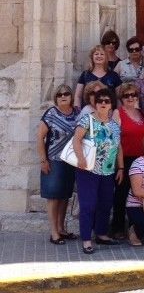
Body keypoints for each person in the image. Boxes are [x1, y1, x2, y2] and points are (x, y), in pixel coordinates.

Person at [72, 87, 123, 254]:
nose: (103, 103)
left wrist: (120, 167)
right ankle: (86, 239)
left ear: (111, 104)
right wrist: (80, 158)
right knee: (88, 204)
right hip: (88, 169)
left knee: (105, 204)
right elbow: (77, 140)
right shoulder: (87, 120)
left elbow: (118, 147)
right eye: (100, 100)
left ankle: (101, 234)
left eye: (106, 101)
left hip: (108, 171)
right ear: (95, 103)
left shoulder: (115, 125)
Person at [37, 84, 79, 244]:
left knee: (65, 196)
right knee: (53, 197)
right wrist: (43, 160)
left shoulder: (77, 113)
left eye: (66, 93)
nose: (63, 96)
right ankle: (54, 232)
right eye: (60, 94)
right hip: (54, 161)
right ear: (56, 97)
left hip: (71, 161)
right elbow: (40, 137)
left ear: (71, 96)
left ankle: (61, 229)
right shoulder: (51, 114)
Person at [110, 83, 144, 239]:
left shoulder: (141, 113)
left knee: (139, 196)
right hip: (125, 160)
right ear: (121, 98)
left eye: (133, 95)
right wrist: (120, 167)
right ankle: (118, 228)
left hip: (141, 160)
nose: (131, 98)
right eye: (127, 95)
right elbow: (116, 140)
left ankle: (139, 228)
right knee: (121, 194)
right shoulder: (117, 113)